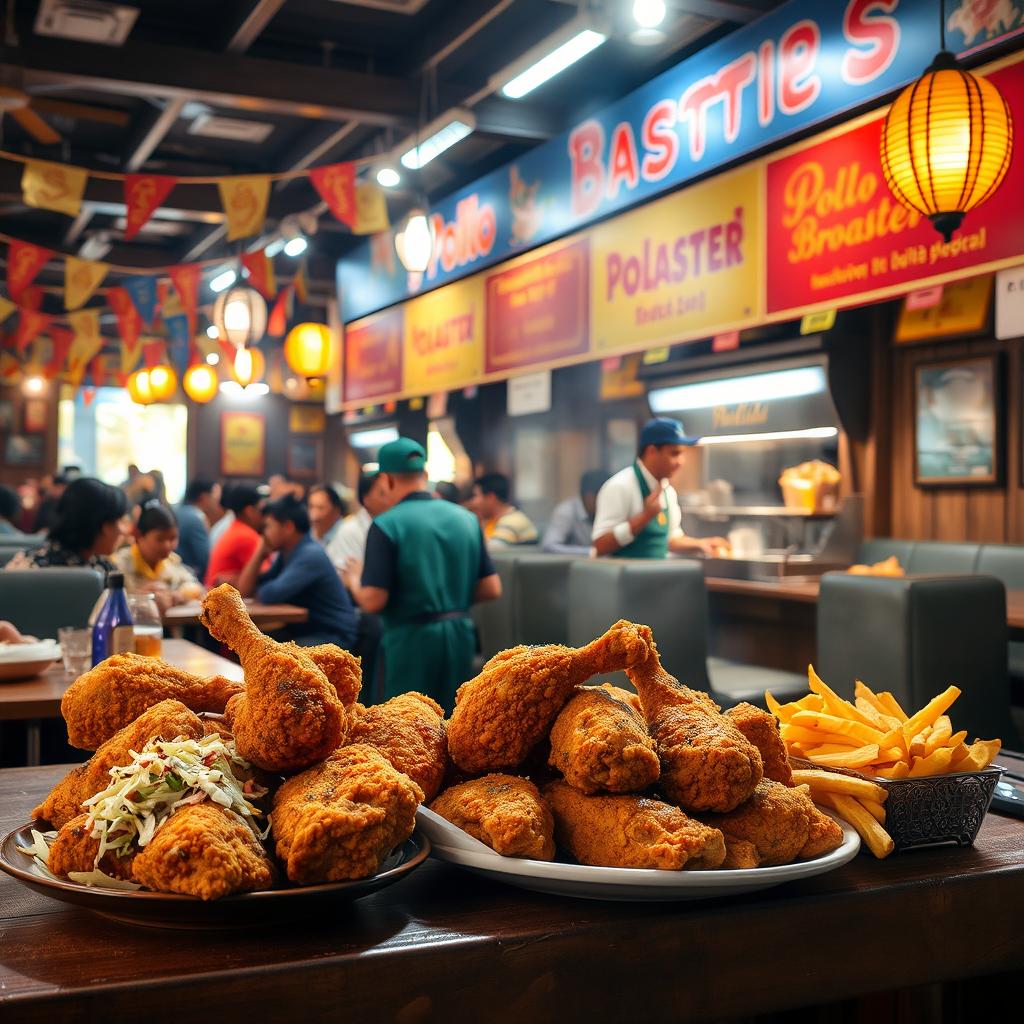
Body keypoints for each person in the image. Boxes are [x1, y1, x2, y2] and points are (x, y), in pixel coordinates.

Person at [343, 437, 501, 709]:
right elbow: (491, 588)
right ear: (425, 475)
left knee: (406, 727)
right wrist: (451, 594)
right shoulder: (466, 519)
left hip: (409, 642)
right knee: (452, 726)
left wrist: (353, 579)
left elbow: (372, 600)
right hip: (460, 637)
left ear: (385, 480)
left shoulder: (386, 524)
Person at [592, 417, 730, 559]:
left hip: (657, 577)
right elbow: (600, 545)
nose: (681, 462)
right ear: (652, 451)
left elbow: (670, 539)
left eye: (682, 453)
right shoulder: (619, 486)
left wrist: (702, 544)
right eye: (674, 453)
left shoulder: (667, 491)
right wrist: (645, 517)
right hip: (625, 580)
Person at [236, 495, 356, 649]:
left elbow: (270, 594)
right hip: (307, 631)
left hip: (332, 636)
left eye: (268, 526)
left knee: (268, 654)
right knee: (252, 646)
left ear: (288, 527)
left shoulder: (310, 555)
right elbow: (248, 589)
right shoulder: (287, 553)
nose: (263, 534)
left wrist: (257, 587)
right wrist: (260, 553)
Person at [7, 477, 128, 573]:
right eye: (117, 522)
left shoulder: (106, 568)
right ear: (99, 525)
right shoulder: (30, 567)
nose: (122, 531)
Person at [113, 501, 202, 610]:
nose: (168, 545)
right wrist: (141, 597)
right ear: (139, 536)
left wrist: (177, 594)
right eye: (160, 539)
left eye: (173, 538)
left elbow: (195, 586)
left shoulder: (171, 561)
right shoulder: (118, 564)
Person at [327, 471, 391, 570]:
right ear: (366, 499)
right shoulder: (350, 530)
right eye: (382, 493)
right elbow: (348, 575)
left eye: (390, 492)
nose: (389, 498)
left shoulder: (388, 525)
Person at [205, 484, 265, 588]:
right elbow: (265, 576)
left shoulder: (235, 529)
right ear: (249, 511)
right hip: (223, 600)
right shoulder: (246, 536)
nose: (264, 517)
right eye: (261, 510)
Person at [541, 470, 609, 555]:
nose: (608, 502)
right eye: (606, 497)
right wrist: (592, 552)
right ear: (589, 496)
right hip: (573, 566)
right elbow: (549, 546)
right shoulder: (566, 511)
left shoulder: (608, 512)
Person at [469, 473, 538, 548]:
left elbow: (491, 552)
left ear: (491, 497)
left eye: (476, 496)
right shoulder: (497, 519)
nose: (473, 502)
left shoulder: (511, 521)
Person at [175, 479, 222, 580]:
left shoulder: (179, 511)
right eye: (215, 497)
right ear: (204, 498)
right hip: (188, 579)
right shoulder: (195, 518)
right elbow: (206, 559)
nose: (218, 502)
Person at [308, 484, 347, 549]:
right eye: (311, 507)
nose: (314, 515)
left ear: (336, 511)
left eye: (320, 508)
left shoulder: (347, 534)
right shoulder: (307, 535)